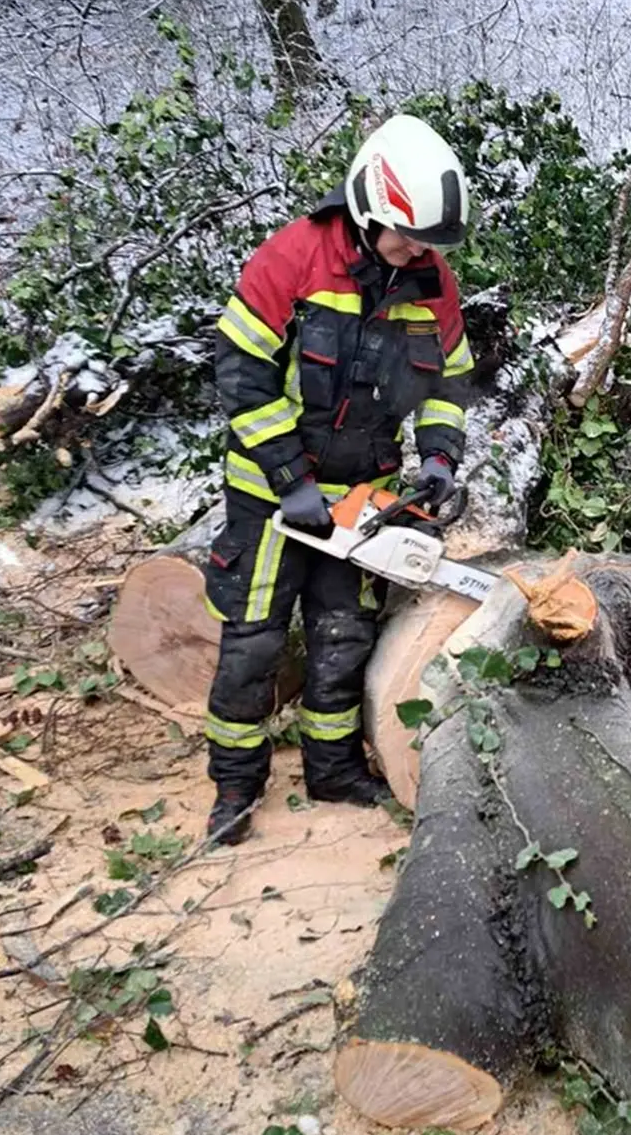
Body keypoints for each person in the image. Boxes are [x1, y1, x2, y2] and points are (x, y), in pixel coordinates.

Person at [202, 113, 475, 844]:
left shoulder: (430, 285)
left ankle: (332, 767)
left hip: (365, 495)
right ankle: (234, 784)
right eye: (406, 235)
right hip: (272, 494)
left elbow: (449, 382)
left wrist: (440, 456)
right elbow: (240, 376)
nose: (416, 251)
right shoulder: (293, 258)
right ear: (368, 206)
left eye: (427, 242)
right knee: (256, 636)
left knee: (344, 633)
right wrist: (288, 475)